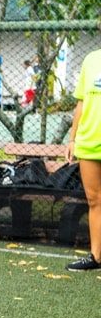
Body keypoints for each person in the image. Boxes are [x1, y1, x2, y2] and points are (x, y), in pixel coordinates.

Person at [64, 48, 101, 271]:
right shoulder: (91, 59)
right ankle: (96, 257)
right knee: (95, 200)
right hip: (89, 142)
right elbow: (81, 102)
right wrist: (73, 139)